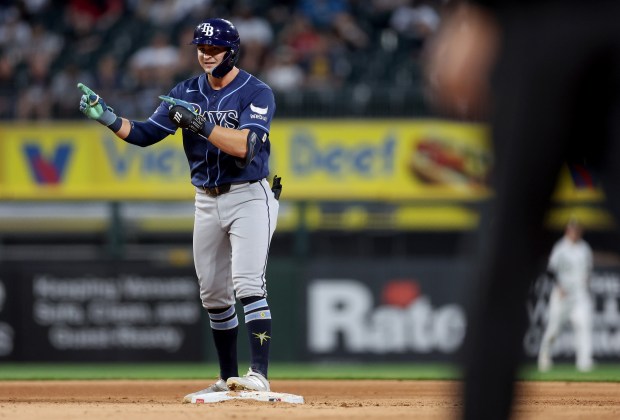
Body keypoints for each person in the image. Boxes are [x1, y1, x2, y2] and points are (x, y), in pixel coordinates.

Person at [426, 1, 620, 419]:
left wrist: (473, 16)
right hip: (539, 24)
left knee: (508, 249)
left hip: (538, 31)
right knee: (507, 247)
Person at [77, 18, 280, 400]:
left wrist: (200, 125)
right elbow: (143, 135)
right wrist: (107, 117)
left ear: (231, 50)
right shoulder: (186, 91)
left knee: (249, 283)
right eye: (201, 48)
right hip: (206, 199)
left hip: (248, 196)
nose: (205, 55)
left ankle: (260, 375)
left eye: (214, 48)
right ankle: (227, 379)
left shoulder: (256, 91)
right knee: (213, 295)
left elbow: (246, 147)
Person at [538, 219, 594, 372]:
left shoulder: (584, 248)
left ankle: (585, 362)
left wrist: (587, 281)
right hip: (562, 294)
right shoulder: (560, 248)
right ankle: (544, 355)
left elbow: (588, 268)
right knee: (553, 328)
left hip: (580, 294)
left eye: (578, 229)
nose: (576, 232)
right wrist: (559, 286)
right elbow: (550, 270)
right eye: (573, 229)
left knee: (584, 326)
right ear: (567, 231)